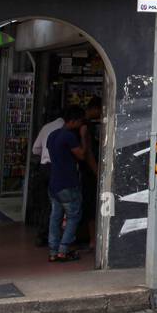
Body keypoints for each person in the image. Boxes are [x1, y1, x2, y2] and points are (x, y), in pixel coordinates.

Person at [46, 106, 87, 262]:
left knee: (55, 217)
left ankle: (53, 251)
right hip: (68, 182)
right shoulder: (69, 137)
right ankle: (63, 250)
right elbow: (82, 155)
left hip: (54, 182)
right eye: (80, 122)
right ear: (74, 121)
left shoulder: (52, 135)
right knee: (73, 216)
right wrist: (83, 136)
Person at [30, 108, 65, 246]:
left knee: (45, 203)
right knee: (58, 204)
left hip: (44, 168)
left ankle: (42, 234)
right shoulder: (64, 128)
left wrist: (45, 154)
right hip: (56, 168)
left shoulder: (46, 127)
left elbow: (35, 149)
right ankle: (55, 237)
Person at [76, 97, 102, 248]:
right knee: (91, 206)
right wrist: (97, 172)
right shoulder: (86, 127)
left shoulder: (84, 125)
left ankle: (92, 239)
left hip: (84, 172)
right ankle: (93, 240)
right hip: (89, 173)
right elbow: (89, 153)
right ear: (95, 108)